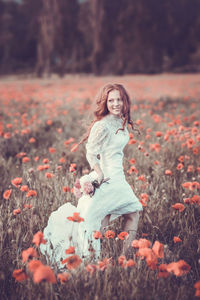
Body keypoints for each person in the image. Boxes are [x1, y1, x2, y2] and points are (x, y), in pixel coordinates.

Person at [40, 83, 143, 268]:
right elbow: (90, 151)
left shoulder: (121, 121)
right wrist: (100, 171)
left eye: (119, 99)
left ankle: (121, 259)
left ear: (125, 101)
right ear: (105, 102)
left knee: (129, 214)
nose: (116, 103)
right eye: (111, 100)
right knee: (100, 220)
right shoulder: (102, 126)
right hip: (108, 179)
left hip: (118, 177)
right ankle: (94, 260)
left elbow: (113, 150)